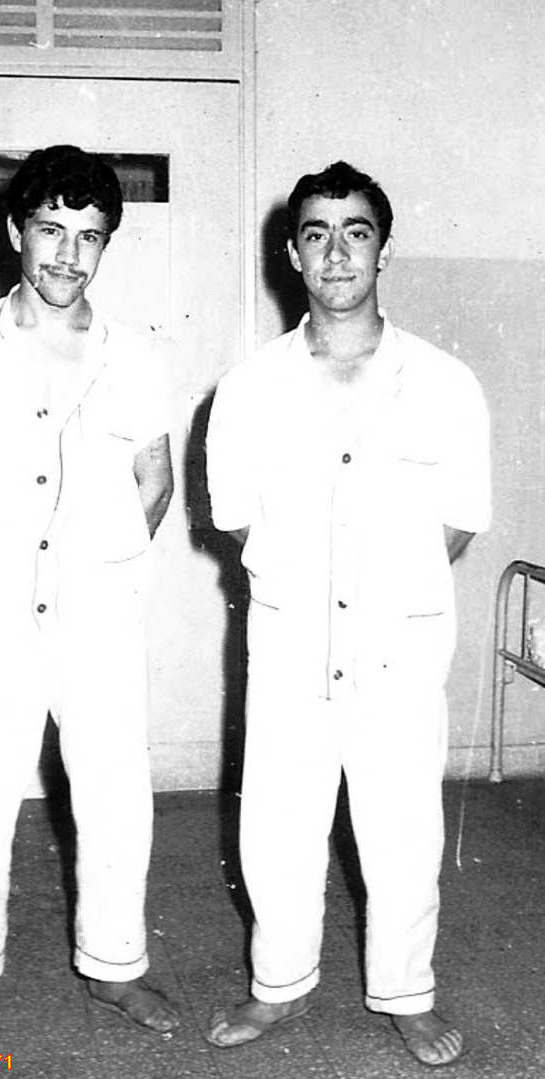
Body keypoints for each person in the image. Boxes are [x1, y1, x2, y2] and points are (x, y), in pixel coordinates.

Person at [0, 145, 179, 1046]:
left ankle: (115, 966)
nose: (67, 254)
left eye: (88, 237)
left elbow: (155, 480)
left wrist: (103, 568)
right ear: (16, 230)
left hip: (98, 617)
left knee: (116, 798)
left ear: (106, 246)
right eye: (51, 230)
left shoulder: (135, 356)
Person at [205, 161, 490, 1067]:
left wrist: (381, 590)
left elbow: (456, 521)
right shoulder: (249, 387)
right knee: (277, 822)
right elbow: (238, 517)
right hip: (290, 637)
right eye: (317, 234)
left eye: (356, 232)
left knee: (402, 825)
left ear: (384, 249)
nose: (336, 252)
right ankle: (279, 985)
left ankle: (407, 993)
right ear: (292, 253)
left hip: (399, 643)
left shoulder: (444, 383)